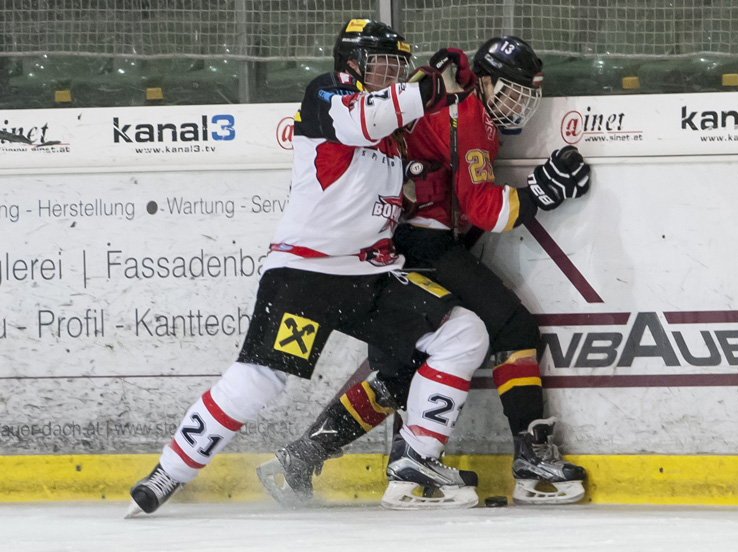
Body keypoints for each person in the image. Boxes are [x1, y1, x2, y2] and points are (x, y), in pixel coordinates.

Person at [126, 18, 488, 517]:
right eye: (381, 64)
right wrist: (431, 85)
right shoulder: (325, 94)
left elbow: (397, 144)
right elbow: (365, 120)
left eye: (396, 66)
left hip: (370, 276)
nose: (390, 74)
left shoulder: (394, 134)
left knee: (463, 333)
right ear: (350, 64)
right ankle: (169, 471)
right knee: (261, 378)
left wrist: (457, 93)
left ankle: (417, 463)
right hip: (306, 275)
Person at [257, 36, 591, 509]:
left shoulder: (459, 104)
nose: (518, 106)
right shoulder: (469, 113)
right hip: (417, 242)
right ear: (485, 82)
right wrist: (538, 194)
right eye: (511, 93)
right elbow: (483, 209)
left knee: (400, 371)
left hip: (394, 241)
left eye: (526, 96)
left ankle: (307, 453)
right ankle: (529, 456)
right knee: (512, 326)